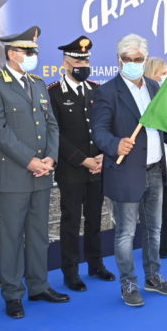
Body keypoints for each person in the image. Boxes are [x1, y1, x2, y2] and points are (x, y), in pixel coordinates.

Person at [92, 35, 167, 307]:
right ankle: (128, 283)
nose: (133, 64)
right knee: (125, 233)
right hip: (125, 173)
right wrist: (115, 144)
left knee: (154, 230)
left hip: (156, 171)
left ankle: (153, 277)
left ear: (144, 60)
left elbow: (163, 129)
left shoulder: (154, 87)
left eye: (138, 59)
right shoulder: (107, 92)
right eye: (128, 59)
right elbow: (98, 131)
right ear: (118, 60)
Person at [0, 27, 66, 319]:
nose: (33, 57)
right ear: (12, 54)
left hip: (43, 173)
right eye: (29, 52)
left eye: (35, 52)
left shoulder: (38, 84)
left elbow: (52, 124)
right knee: (12, 236)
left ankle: (39, 285)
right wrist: (30, 160)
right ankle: (13, 293)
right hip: (14, 175)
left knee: (39, 233)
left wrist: (51, 158)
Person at [49, 37, 115, 291]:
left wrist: (100, 156)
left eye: (86, 60)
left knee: (95, 219)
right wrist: (82, 160)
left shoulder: (96, 90)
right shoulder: (54, 93)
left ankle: (96, 264)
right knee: (71, 222)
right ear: (66, 63)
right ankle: (70, 271)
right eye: (78, 60)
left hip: (97, 167)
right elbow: (56, 134)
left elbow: (102, 126)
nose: (83, 64)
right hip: (71, 170)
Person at [144, 57, 167, 258]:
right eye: (163, 73)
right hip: (154, 155)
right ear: (153, 73)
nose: (166, 76)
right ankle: (155, 244)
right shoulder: (147, 97)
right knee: (153, 202)